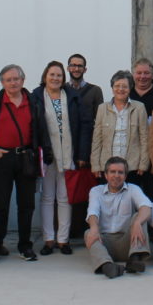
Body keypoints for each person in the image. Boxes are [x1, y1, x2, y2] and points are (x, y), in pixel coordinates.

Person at [0, 64, 53, 262]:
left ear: (23, 80)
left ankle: (25, 246)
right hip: (2, 159)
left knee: (26, 204)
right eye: (8, 80)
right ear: (2, 83)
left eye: (16, 79)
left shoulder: (33, 102)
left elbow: (42, 130)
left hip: (26, 157)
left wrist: (46, 154)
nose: (13, 83)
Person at [31, 60, 93, 256]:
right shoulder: (36, 97)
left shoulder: (73, 97)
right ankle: (49, 239)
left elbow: (84, 125)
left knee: (65, 198)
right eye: (52, 75)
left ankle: (63, 240)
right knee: (47, 197)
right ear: (45, 76)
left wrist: (83, 154)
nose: (55, 78)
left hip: (69, 154)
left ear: (63, 78)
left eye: (59, 75)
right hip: (47, 155)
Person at [84, 157, 152, 278]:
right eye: (112, 172)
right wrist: (94, 228)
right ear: (105, 175)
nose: (116, 175)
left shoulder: (133, 189)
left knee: (140, 217)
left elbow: (146, 206)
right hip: (104, 243)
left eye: (120, 172)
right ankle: (107, 266)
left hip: (128, 243)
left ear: (125, 176)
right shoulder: (96, 191)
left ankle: (134, 260)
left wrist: (137, 223)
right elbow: (92, 211)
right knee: (89, 232)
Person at [91, 70, 151, 197]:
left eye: (124, 86)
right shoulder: (102, 108)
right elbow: (97, 139)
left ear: (130, 88)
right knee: (108, 201)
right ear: (112, 88)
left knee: (129, 200)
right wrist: (95, 165)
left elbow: (145, 138)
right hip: (107, 166)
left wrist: (143, 164)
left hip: (132, 166)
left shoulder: (139, 108)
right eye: (117, 86)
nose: (120, 89)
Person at [67, 53, 104, 120]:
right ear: (68, 68)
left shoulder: (95, 91)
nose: (76, 69)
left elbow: (100, 119)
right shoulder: (62, 89)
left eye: (80, 66)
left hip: (88, 130)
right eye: (73, 65)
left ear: (85, 70)